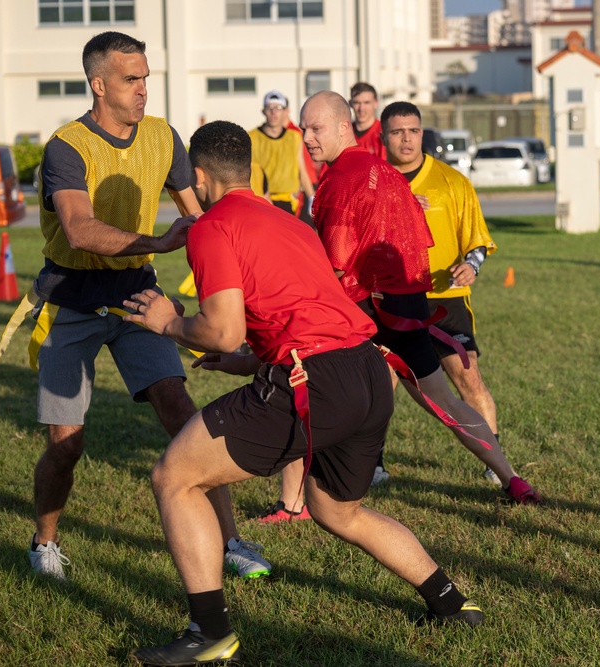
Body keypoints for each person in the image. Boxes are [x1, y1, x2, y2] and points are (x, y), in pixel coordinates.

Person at [128, 120, 483, 665]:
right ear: (248, 169)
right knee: (338, 511)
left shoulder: (210, 227)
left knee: (174, 477)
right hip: (366, 371)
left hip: (314, 382)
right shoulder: (290, 222)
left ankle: (210, 631)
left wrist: (167, 323)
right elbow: (309, 316)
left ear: (199, 177)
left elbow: (221, 327)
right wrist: (246, 361)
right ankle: (451, 602)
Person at [26, 31, 268, 581]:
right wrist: (159, 242)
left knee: (184, 418)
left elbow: (203, 215)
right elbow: (80, 230)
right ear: (99, 84)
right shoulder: (66, 145)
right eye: (131, 79)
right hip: (71, 298)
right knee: (66, 446)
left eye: (145, 78)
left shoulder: (163, 136)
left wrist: (240, 290)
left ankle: (231, 541)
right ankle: (44, 542)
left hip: (138, 294)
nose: (142, 90)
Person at [294, 90, 539, 506]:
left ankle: (300, 502)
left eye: (315, 128)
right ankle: (511, 478)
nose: (307, 138)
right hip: (408, 303)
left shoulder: (338, 180)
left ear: (342, 126)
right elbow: (415, 244)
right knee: (440, 398)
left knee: (303, 385)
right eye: (303, 129)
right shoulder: (387, 173)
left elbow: (335, 265)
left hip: (366, 310)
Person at [380, 100, 506, 487]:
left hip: (445, 297)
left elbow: (478, 242)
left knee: (468, 380)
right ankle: (373, 463)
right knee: (380, 386)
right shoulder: (374, 182)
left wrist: (473, 266)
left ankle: (494, 459)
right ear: (383, 135)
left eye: (413, 130)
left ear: (423, 133)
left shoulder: (453, 182)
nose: (407, 138)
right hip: (390, 300)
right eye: (398, 131)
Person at [248, 90, 315, 217]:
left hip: (288, 202)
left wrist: (312, 197)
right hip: (261, 200)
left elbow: (302, 171)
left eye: (278, 108)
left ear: (285, 111)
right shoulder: (251, 137)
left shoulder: (294, 137)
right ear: (264, 111)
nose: (274, 112)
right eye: (270, 107)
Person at [349, 81, 387, 160]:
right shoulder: (344, 134)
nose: (361, 108)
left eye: (366, 103)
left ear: (376, 103)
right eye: (357, 103)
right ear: (350, 103)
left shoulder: (384, 133)